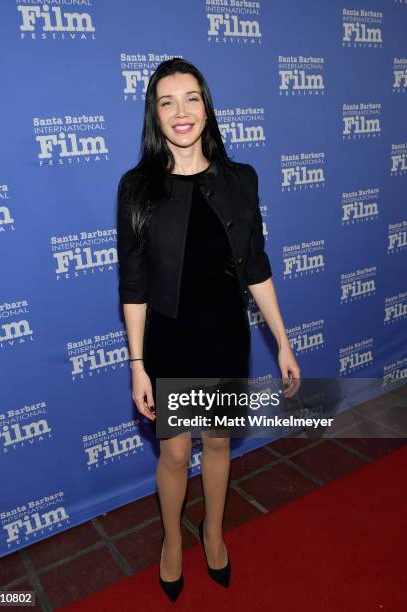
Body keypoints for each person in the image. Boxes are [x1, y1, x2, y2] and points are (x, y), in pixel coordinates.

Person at [116, 57, 300, 602]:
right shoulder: (137, 189)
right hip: (169, 340)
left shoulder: (240, 180)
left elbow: (256, 266)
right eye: (166, 101)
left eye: (191, 98)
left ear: (207, 106)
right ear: (154, 113)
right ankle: (173, 539)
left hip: (223, 334)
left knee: (218, 443)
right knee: (174, 454)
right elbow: (133, 284)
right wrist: (137, 364)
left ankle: (212, 531)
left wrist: (283, 342)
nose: (181, 111)